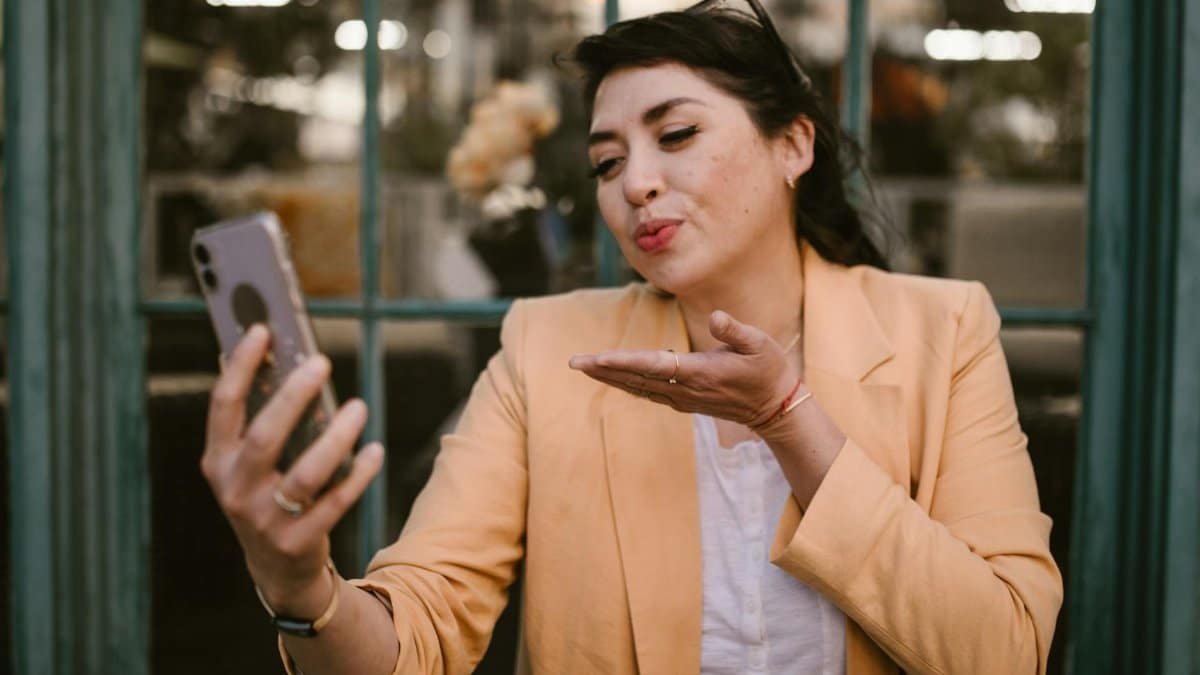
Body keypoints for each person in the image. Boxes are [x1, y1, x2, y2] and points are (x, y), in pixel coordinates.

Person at [200, 3, 1064, 674]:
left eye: (677, 135)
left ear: (794, 143)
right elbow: (419, 637)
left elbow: (1004, 650)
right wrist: (299, 584)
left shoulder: (944, 329)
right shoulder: (547, 348)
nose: (635, 185)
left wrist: (790, 417)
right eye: (607, 163)